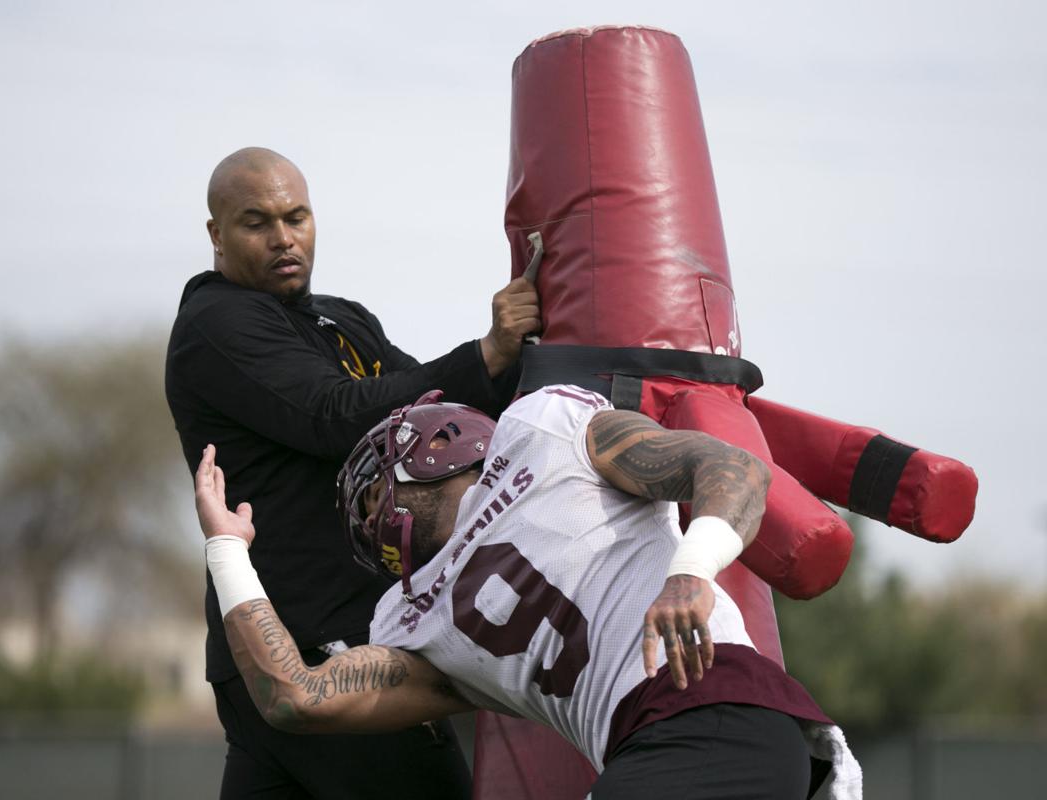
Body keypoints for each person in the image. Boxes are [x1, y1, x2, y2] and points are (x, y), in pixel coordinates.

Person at [195, 385, 862, 799]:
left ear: (431, 446)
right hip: (651, 750)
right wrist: (227, 551)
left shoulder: (543, 431)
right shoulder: (410, 620)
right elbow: (295, 697)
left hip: (712, 707)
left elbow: (730, 466)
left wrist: (692, 567)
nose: (371, 522)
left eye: (372, 495)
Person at [165, 147, 539, 799]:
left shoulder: (342, 317)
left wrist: (514, 369)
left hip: (297, 650)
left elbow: (439, 416)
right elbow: (332, 415)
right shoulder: (216, 322)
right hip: (311, 646)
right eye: (257, 222)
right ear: (216, 234)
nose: (284, 237)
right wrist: (485, 352)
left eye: (297, 216)